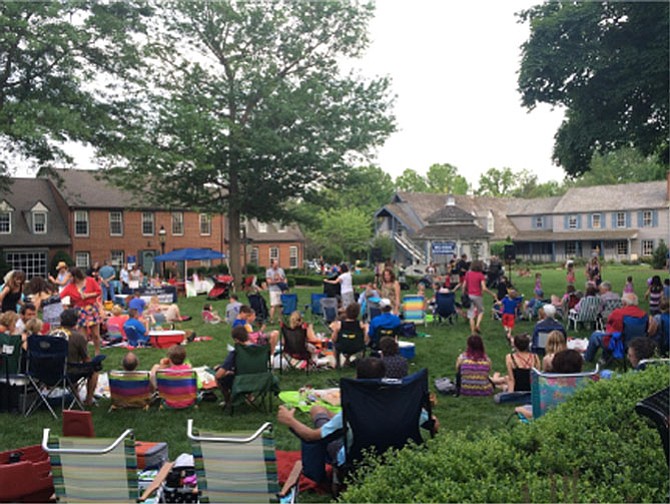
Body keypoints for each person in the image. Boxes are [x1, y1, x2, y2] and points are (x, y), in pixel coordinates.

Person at [276, 357, 439, 481]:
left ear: (357, 378)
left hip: (357, 463)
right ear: (383, 376)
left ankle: (315, 474)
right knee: (324, 413)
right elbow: (434, 425)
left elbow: (311, 436)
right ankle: (321, 413)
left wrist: (289, 420)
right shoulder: (405, 406)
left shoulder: (356, 408)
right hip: (398, 457)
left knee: (318, 414)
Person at [51, 309, 102, 406]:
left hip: (49, 373)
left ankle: (77, 398)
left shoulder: (50, 334)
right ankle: (88, 399)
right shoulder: (78, 337)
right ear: (76, 321)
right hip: (69, 373)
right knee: (94, 369)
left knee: (72, 364)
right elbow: (86, 359)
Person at [584, 293, 648, 363]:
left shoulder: (619, 313)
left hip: (621, 344)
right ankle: (604, 358)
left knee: (596, 335)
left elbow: (609, 322)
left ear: (624, 302)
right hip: (637, 343)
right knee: (612, 334)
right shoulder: (644, 314)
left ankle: (587, 358)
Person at [59, 267, 103, 356]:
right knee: (82, 336)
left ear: (75, 276)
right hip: (79, 311)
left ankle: (97, 351)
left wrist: (88, 295)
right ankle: (84, 354)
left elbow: (99, 291)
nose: (68, 279)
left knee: (95, 334)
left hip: (91, 308)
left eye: (69, 277)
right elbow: (60, 296)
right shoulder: (70, 287)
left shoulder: (90, 281)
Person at [215, 326, 251, 405]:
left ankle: (228, 401)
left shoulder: (235, 353)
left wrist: (224, 371)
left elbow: (218, 375)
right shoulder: (258, 350)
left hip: (240, 381)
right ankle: (250, 397)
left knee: (219, 378)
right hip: (258, 381)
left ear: (236, 340)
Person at [461, 260, 496, 334]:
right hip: (478, 295)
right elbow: (484, 288)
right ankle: (477, 325)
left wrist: (464, 293)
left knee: (471, 314)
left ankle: (473, 332)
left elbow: (464, 285)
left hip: (469, 295)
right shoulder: (480, 275)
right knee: (481, 311)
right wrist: (492, 293)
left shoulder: (468, 274)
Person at [266, 259, 286, 323]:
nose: (276, 266)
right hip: (273, 290)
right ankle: (271, 319)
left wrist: (284, 285)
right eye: (275, 264)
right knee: (273, 305)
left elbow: (284, 279)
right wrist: (276, 281)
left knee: (280, 305)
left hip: (280, 290)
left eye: (277, 264)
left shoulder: (281, 270)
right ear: (272, 264)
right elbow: (269, 282)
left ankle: (280, 319)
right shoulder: (269, 271)